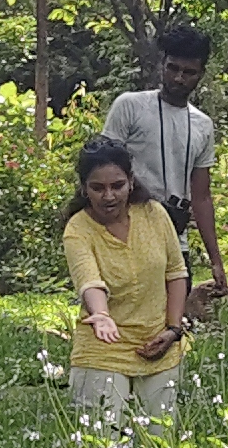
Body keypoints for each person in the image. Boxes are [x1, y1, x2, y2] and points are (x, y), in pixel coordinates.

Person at [105, 20, 228, 302]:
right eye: (173, 68)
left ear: (201, 74)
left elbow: (201, 197)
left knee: (174, 320)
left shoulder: (202, 125)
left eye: (189, 72)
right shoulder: (130, 106)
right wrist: (150, 202)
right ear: (162, 65)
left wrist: (216, 260)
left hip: (175, 239)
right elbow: (103, 168)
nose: (179, 78)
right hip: (126, 232)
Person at [61, 141, 191, 424]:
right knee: (106, 444)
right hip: (103, 346)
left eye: (117, 185)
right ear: (84, 189)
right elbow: (89, 281)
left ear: (131, 182)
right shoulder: (78, 229)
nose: (109, 196)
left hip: (159, 342)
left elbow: (176, 273)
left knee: (162, 443)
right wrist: (101, 315)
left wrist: (173, 330)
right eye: (98, 188)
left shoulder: (154, 213)